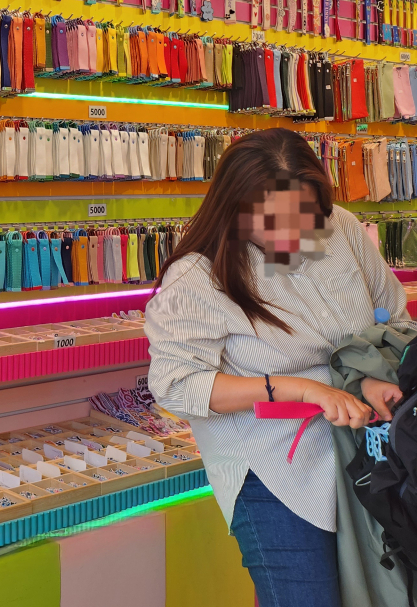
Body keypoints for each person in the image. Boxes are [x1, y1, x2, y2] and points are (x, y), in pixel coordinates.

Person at [146, 128, 410, 607]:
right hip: (273, 474)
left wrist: (367, 375)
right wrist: (298, 390)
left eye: (305, 217)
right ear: (236, 211)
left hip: (364, 456)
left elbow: (392, 317)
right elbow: (176, 386)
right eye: (272, 222)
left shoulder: (344, 231)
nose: (292, 235)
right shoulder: (199, 276)